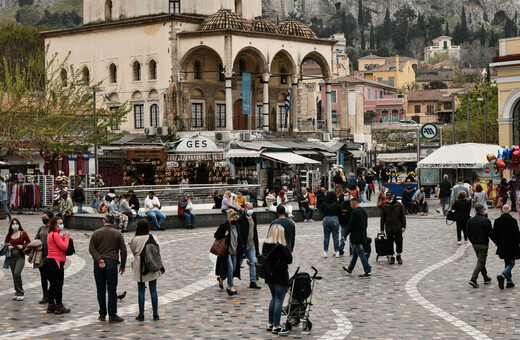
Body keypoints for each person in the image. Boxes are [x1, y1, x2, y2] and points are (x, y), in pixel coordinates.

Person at [89, 214, 127, 322]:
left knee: (100, 290)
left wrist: (99, 259)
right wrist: (123, 265)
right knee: (111, 290)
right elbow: (123, 251)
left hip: (98, 264)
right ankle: (112, 314)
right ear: (114, 223)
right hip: (111, 263)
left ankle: (102, 314)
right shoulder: (118, 233)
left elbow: (91, 248)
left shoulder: (96, 233)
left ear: (103, 221)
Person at [130, 220, 165, 321]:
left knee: (141, 290)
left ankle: (141, 314)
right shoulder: (153, 237)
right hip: (153, 265)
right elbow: (158, 252)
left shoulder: (135, 239)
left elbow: (133, 252)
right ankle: (155, 314)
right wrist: (161, 266)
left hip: (140, 267)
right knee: (153, 290)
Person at [262, 225, 293, 335]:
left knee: (274, 298)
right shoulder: (281, 246)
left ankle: (270, 323)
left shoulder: (265, 244)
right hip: (280, 275)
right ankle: (276, 326)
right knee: (279, 300)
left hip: (269, 275)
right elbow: (289, 260)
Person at [214, 210, 244, 296]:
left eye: (236, 219)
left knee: (233, 268)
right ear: (230, 218)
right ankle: (231, 286)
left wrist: (242, 251)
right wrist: (225, 234)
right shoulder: (224, 226)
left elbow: (240, 239)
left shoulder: (237, 226)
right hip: (226, 251)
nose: (235, 221)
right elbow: (216, 235)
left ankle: (221, 278)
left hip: (235, 251)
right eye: (234, 219)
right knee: (230, 268)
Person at [46, 216, 71, 314]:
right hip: (56, 261)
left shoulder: (50, 234)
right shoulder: (55, 235)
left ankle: (51, 305)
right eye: (59, 223)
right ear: (54, 225)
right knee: (58, 285)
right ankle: (59, 306)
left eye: (62, 223)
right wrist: (67, 237)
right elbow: (64, 247)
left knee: (52, 284)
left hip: (50, 261)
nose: (62, 225)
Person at [492, 205, 520, 289]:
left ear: (501, 211)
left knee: (507, 262)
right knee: (511, 263)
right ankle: (503, 275)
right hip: (512, 244)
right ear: (510, 211)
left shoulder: (497, 221)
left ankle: (509, 281)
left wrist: (496, 242)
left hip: (502, 245)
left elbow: (494, 233)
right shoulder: (513, 221)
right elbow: (516, 234)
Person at [342, 198, 372, 278]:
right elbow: (366, 224)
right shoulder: (363, 211)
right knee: (355, 254)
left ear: (354, 203)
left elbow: (350, 225)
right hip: (362, 235)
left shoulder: (354, 212)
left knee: (361, 254)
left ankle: (367, 269)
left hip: (356, 236)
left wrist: (345, 235)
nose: (350, 206)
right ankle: (350, 268)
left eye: (351, 204)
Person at [467, 203, 493, 288]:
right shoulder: (485, 220)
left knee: (480, 261)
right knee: (481, 262)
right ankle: (473, 279)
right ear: (482, 210)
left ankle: (486, 278)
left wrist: (472, 241)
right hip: (483, 243)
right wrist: (496, 241)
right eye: (484, 209)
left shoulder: (471, 220)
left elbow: (468, 233)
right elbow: (490, 233)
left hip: (475, 244)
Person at [5, 219, 30, 300]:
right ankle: (17, 291)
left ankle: (21, 291)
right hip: (11, 257)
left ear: (19, 224)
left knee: (17, 273)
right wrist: (8, 246)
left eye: (16, 223)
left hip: (20, 256)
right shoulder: (9, 234)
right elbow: (5, 243)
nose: (15, 225)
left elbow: (29, 242)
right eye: (13, 223)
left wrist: (23, 246)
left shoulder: (23, 233)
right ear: (11, 225)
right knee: (14, 275)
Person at [238, 203, 261, 289]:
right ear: (244, 209)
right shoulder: (241, 219)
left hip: (252, 245)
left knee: (252, 263)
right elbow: (239, 235)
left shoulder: (254, 217)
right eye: (249, 208)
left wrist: (257, 247)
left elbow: (255, 232)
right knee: (237, 264)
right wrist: (241, 247)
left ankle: (253, 281)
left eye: (252, 208)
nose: (251, 210)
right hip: (243, 246)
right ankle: (229, 281)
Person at [380, 191, 406, 265]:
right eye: (388, 198)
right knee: (389, 244)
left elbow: (403, 217)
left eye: (390, 197)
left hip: (398, 227)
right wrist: (382, 229)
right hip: (389, 228)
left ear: (393, 197)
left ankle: (398, 255)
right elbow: (382, 219)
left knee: (399, 242)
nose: (389, 199)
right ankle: (391, 257)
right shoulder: (385, 206)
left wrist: (403, 226)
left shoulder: (399, 205)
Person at [35, 211, 54, 304]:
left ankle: (52, 292)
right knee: (43, 274)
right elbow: (36, 238)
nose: (43, 219)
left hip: (50, 252)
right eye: (42, 217)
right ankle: (45, 294)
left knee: (49, 274)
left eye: (45, 217)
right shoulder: (41, 228)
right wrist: (37, 245)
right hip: (41, 252)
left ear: (50, 218)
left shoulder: (53, 228)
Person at [321, 191, 341, 258]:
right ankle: (337, 252)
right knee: (335, 236)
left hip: (326, 218)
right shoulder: (337, 203)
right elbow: (339, 211)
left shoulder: (325, 203)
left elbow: (321, 210)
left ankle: (325, 252)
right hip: (334, 218)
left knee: (326, 237)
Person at [338, 191, 353, 256]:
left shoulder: (352, 203)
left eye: (347, 195)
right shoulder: (342, 203)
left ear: (349, 196)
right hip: (343, 223)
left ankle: (351, 251)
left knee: (351, 238)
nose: (345, 197)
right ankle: (341, 250)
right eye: (345, 195)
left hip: (350, 223)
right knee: (343, 237)